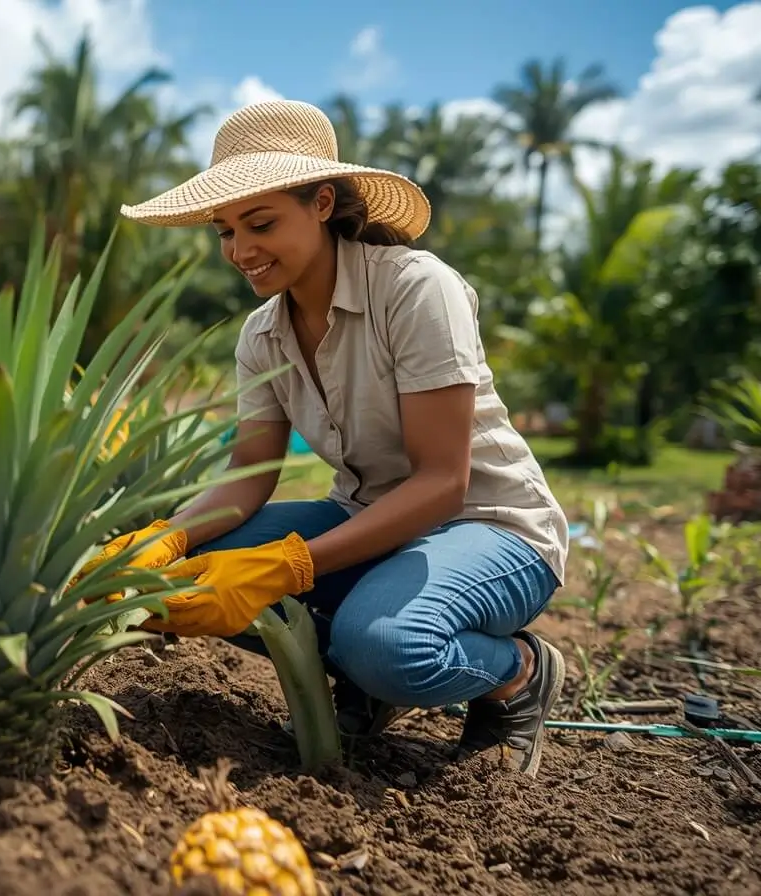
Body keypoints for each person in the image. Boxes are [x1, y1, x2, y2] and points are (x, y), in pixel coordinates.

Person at [82, 99, 570, 777]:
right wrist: (167, 538)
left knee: (387, 643)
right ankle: (365, 687)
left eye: (260, 223)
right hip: (372, 521)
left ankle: (516, 671)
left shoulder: (415, 290)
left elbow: (440, 483)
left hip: (491, 527)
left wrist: (289, 566)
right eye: (224, 231)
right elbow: (251, 471)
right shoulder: (262, 335)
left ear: (321, 203)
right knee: (186, 574)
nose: (240, 250)